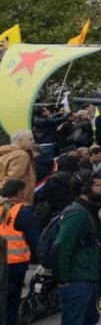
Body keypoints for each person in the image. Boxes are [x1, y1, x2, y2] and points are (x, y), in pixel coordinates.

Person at [55, 169, 101, 325]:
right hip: (77, 279)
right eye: (97, 185)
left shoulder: (89, 210)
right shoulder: (77, 213)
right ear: (84, 189)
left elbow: (100, 235)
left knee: (90, 319)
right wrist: (63, 279)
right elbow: (62, 247)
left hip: (89, 276)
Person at [0, 179, 39, 325]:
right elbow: (34, 239)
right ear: (19, 192)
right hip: (16, 263)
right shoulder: (23, 212)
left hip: (2, 262)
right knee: (11, 301)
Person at [0, 130, 37, 205]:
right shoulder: (21, 155)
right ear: (21, 140)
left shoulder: (4, 151)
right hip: (17, 199)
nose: (33, 142)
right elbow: (11, 179)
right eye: (30, 139)